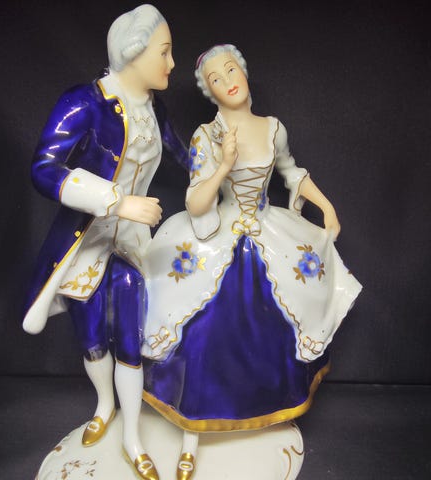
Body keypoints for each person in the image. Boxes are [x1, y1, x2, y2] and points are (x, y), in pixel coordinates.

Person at [140, 44, 362, 479]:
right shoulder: (207, 136)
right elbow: (196, 202)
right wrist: (224, 165)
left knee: (276, 325)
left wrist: (326, 206)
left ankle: (266, 408)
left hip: (268, 229)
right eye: (216, 79)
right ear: (210, 92)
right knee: (202, 331)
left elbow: (291, 171)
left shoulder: (273, 128)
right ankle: (192, 430)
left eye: (231, 70)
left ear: (243, 71)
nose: (228, 82)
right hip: (219, 234)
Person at [22, 5, 188, 480]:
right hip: (86, 243)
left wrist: (219, 166)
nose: (172, 63)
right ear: (134, 53)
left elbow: (183, 154)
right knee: (93, 338)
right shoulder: (84, 103)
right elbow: (44, 168)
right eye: (164, 52)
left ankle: (133, 437)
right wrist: (117, 201)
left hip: (133, 244)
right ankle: (103, 407)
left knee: (131, 342)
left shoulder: (155, 109)